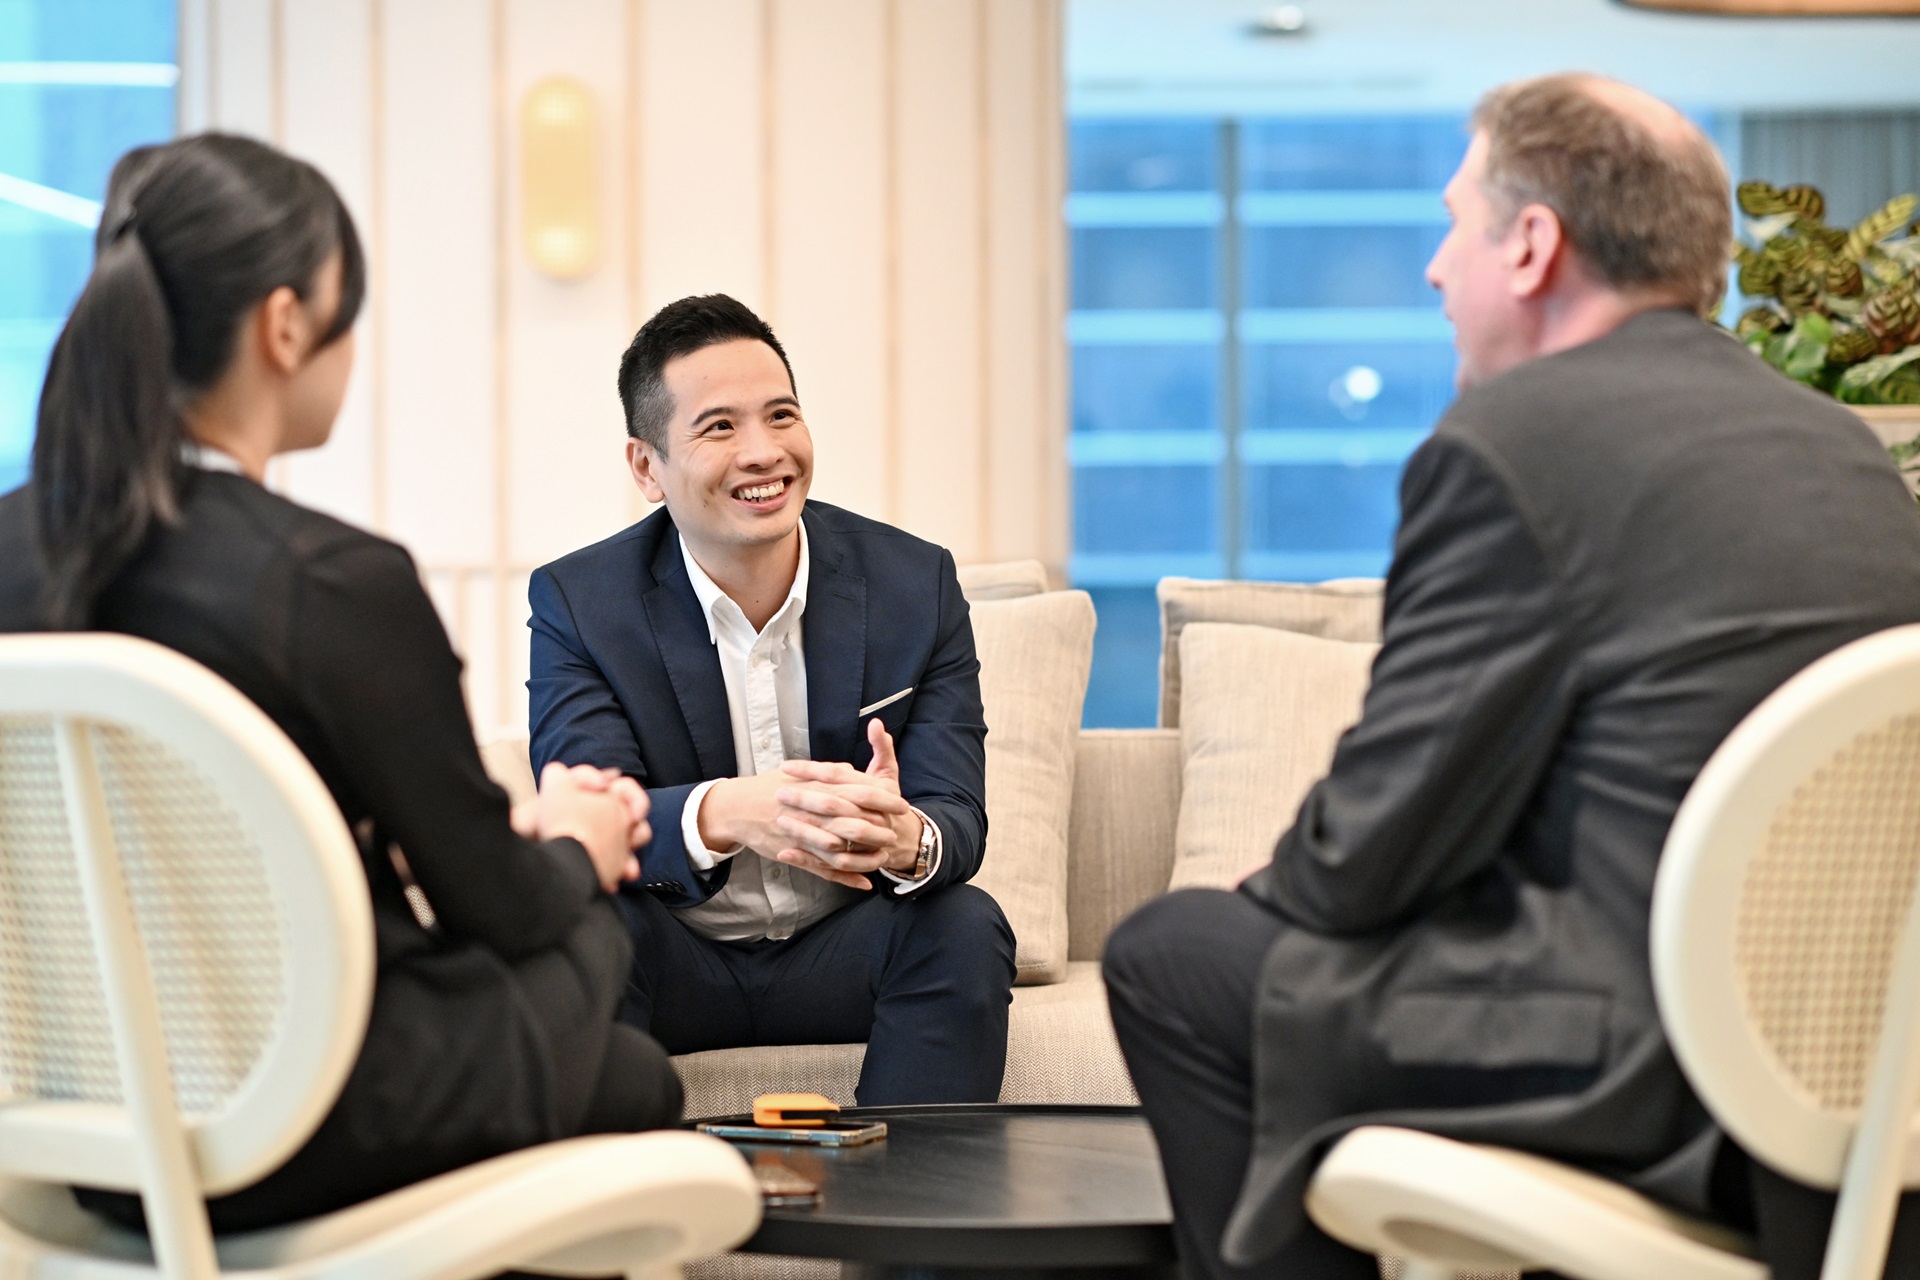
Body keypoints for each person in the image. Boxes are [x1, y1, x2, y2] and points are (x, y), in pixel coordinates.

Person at [1101, 73, 1920, 1280]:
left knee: (1172, 953)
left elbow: (1373, 848)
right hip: (1846, 1073)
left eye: (1454, 222)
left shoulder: (1513, 442)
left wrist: (1269, 887)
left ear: (1532, 243)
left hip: (1652, 1061)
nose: (1435, 269)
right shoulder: (1843, 449)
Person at [0, 134, 681, 1233]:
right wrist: (574, 838)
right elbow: (499, 909)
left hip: (100, 1128)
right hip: (308, 1115)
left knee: (612, 1059)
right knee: (604, 963)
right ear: (285, 326)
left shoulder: (13, 548)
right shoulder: (331, 581)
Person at [527, 294, 1016, 1104]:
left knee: (964, 925)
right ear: (647, 467)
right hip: (673, 955)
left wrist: (905, 839)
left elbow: (956, 819)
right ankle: (627, 1223)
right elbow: (586, 823)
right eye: (719, 427)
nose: (764, 452)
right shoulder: (582, 602)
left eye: (781, 415)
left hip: (845, 946)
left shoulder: (913, 583)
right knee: (581, 933)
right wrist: (734, 811)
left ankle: (917, 1218)